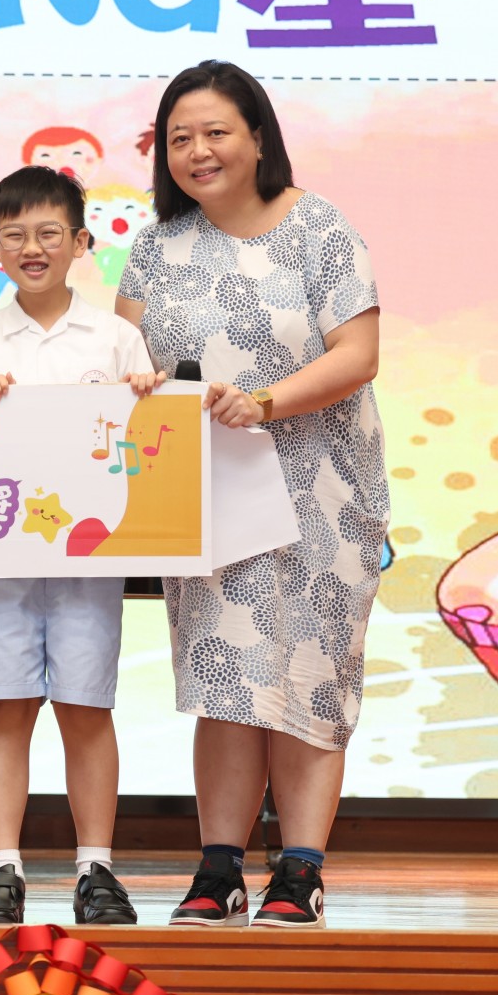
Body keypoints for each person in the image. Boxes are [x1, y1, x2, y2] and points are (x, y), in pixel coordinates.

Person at [115, 61, 386, 930]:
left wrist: (265, 401)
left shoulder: (320, 228)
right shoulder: (157, 247)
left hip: (322, 494)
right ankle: (219, 869)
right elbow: (118, 357)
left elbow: (358, 355)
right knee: (225, 678)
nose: (197, 151)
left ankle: (300, 872)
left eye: (215, 133)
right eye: (179, 138)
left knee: (308, 676)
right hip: (206, 499)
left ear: (258, 137)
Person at [0, 165, 161, 927]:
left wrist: (146, 399)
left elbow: (149, 444)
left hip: (88, 559)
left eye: (48, 233)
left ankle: (95, 868)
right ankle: (0, 868)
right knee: (5, 708)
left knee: (85, 707)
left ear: (80, 243)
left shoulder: (117, 338)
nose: (32, 248)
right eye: (14, 235)